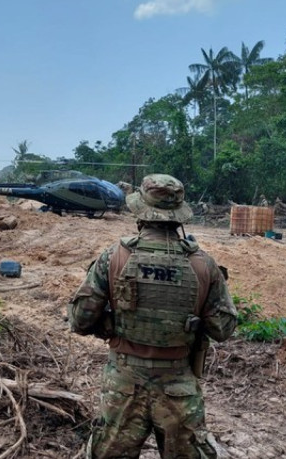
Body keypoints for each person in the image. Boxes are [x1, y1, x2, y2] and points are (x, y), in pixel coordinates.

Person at [68, 174, 237, 459]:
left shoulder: (114, 257)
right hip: (178, 388)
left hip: (123, 387)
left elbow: (80, 319)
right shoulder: (202, 264)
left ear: (140, 212)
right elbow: (223, 328)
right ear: (179, 217)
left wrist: (109, 322)